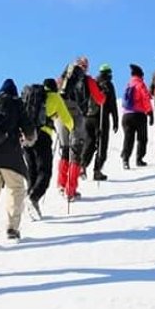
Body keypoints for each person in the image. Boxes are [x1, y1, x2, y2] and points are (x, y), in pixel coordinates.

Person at [0, 79, 36, 249]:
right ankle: (12, 228)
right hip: (10, 156)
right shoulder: (16, 104)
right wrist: (30, 138)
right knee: (16, 189)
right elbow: (29, 129)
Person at [22, 78, 73, 220]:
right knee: (45, 170)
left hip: (26, 136)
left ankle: (31, 200)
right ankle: (34, 197)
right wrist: (71, 130)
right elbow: (67, 119)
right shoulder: (55, 97)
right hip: (42, 136)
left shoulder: (31, 97)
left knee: (32, 170)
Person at [57, 56, 105, 201]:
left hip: (61, 111)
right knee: (76, 151)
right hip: (77, 113)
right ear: (86, 67)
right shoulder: (88, 80)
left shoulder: (64, 77)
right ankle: (71, 190)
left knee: (64, 148)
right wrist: (103, 94)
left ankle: (61, 183)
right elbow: (99, 99)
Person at [81, 64, 119, 181]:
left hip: (88, 117)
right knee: (102, 144)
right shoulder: (108, 85)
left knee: (90, 143)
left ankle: (83, 165)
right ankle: (97, 171)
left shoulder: (93, 83)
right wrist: (115, 120)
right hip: (101, 117)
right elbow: (112, 104)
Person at [120, 63, 152, 168]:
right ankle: (139, 159)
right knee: (142, 138)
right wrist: (150, 112)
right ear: (140, 75)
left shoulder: (128, 84)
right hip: (139, 115)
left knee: (128, 138)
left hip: (126, 116)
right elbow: (146, 98)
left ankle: (125, 159)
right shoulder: (140, 84)